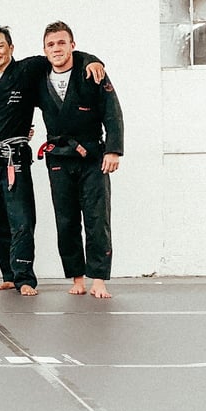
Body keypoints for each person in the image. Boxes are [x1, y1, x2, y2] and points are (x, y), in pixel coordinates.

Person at [0, 26, 104, 297]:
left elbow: (61, 55)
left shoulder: (28, 70)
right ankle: (8, 274)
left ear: (11, 48)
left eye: (0, 46)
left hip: (14, 156)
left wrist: (92, 60)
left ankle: (24, 277)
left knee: (22, 218)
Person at [37, 22, 123, 298]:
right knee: (66, 219)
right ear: (44, 50)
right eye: (51, 44)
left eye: (62, 43)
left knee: (97, 218)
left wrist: (113, 150)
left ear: (72, 46)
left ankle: (98, 279)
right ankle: (77, 277)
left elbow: (112, 112)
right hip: (58, 157)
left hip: (93, 156)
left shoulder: (91, 72)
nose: (56, 49)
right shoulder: (39, 75)